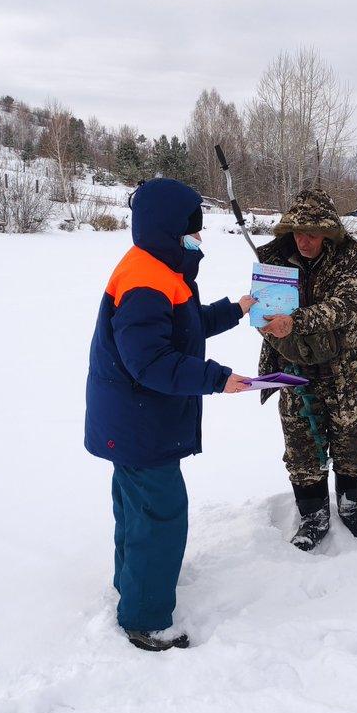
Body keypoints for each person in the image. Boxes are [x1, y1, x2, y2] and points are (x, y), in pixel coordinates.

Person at [85, 178, 254, 652]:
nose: (199, 237)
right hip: (140, 424)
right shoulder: (145, 281)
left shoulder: (159, 269)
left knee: (138, 510)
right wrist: (215, 378)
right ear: (169, 227)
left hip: (134, 422)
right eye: (193, 228)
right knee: (161, 516)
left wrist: (235, 310)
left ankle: (133, 588)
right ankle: (145, 619)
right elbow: (151, 361)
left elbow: (186, 324)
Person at [255, 183, 357, 551]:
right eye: (298, 232)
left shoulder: (353, 258)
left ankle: (351, 506)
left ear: (329, 232)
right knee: (301, 446)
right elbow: (264, 307)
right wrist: (260, 313)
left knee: (353, 442)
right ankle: (313, 514)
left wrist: (293, 320)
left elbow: (344, 306)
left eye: (313, 233)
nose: (304, 241)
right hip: (295, 370)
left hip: (348, 372)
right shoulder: (275, 259)